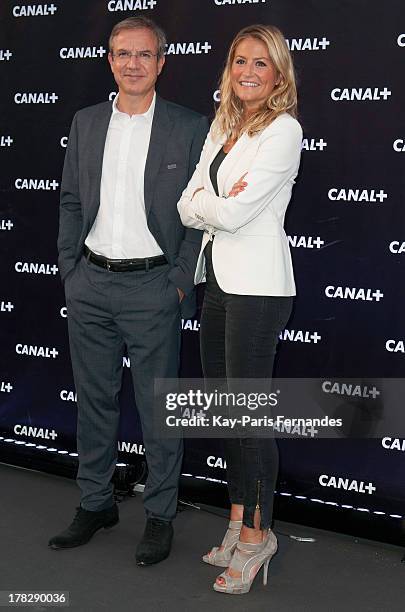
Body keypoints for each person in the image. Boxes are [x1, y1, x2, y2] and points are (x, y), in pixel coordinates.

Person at [50, 16, 209, 566]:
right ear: (110, 60)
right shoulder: (87, 121)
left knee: (158, 408)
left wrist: (177, 284)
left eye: (144, 54)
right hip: (89, 283)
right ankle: (96, 502)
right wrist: (71, 269)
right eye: (122, 53)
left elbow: (198, 217)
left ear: (162, 62)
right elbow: (70, 200)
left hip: (153, 289)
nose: (132, 64)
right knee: (94, 403)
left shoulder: (189, 127)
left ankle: (160, 515)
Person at [177, 24, 302, 594]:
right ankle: (235, 519)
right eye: (239, 62)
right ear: (228, 69)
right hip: (219, 280)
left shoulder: (284, 130)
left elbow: (232, 214)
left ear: (278, 73)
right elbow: (188, 204)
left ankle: (259, 538)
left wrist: (213, 203)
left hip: (258, 288)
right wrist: (212, 202)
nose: (248, 72)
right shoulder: (224, 125)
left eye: (261, 63)